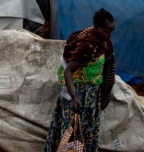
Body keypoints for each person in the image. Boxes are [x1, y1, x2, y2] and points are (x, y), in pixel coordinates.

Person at [43, 9, 117, 152]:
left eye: (111, 32)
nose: (109, 36)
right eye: (106, 32)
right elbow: (68, 72)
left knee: (88, 129)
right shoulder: (87, 45)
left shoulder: (102, 41)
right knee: (72, 131)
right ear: (96, 27)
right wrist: (75, 98)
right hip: (77, 93)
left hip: (90, 94)